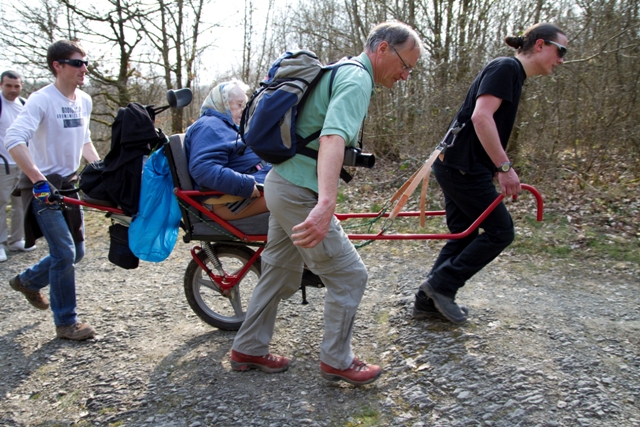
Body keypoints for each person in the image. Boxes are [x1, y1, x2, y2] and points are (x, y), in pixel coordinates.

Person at [230, 21, 423, 386]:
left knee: (278, 274)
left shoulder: (343, 69)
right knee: (350, 275)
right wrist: (326, 205)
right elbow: (332, 138)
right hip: (298, 191)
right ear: (382, 49)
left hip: (280, 184)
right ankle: (337, 360)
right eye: (405, 64)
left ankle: (249, 348)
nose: (406, 75)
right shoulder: (357, 79)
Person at [413, 23, 568, 325]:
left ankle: (428, 302)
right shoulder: (506, 68)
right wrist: (505, 167)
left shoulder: (511, 74)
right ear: (540, 45)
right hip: (463, 168)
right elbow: (481, 117)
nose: (561, 59)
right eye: (560, 50)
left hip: (460, 165)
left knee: (465, 234)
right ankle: (439, 288)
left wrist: (494, 165)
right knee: (501, 232)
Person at [4, 40, 100, 340]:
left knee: (77, 252)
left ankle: (28, 281)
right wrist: (37, 179)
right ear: (57, 66)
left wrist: (100, 170)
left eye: (85, 62)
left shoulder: (84, 100)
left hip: (70, 186)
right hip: (46, 187)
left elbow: (84, 141)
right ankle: (66, 322)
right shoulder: (41, 100)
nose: (84, 68)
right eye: (76, 63)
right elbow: (14, 139)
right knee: (64, 252)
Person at [185, 79, 271, 220]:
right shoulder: (209, 126)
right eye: (239, 105)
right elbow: (203, 169)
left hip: (247, 190)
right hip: (229, 201)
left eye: (244, 105)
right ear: (223, 103)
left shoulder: (226, 126)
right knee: (300, 199)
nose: (243, 110)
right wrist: (245, 185)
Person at [0, 70, 34, 262]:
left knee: (20, 203)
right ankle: (0, 243)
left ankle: (17, 239)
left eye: (17, 86)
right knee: (0, 204)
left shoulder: (23, 105)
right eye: (9, 86)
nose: (13, 90)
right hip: (2, 164)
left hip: (23, 163)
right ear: (1, 85)